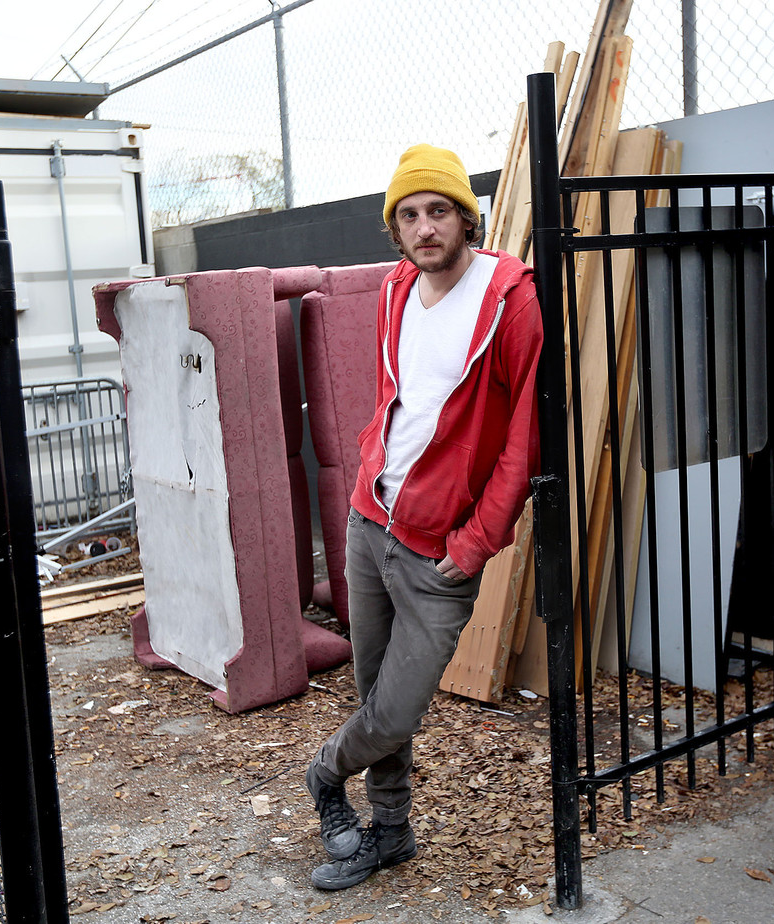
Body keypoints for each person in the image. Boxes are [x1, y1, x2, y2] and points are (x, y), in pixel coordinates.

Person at [305, 143, 543, 890]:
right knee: (372, 688)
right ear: (395, 230)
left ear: (465, 217)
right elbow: (395, 399)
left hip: (440, 549)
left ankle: (321, 774)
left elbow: (523, 438)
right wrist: (370, 470)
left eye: (438, 210)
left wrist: (478, 541)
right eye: (408, 215)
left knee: (396, 710)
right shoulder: (395, 290)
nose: (424, 226)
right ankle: (392, 832)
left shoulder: (510, 300)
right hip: (368, 523)